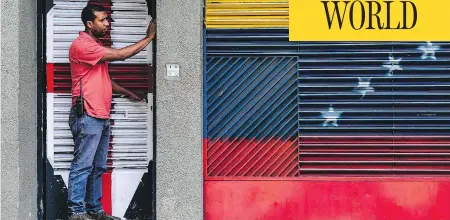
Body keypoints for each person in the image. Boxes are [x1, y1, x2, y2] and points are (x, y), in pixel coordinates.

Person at [67, 4, 156, 220]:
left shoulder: (94, 46)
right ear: (89, 24)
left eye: (107, 20)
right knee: (82, 166)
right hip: (87, 114)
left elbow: (103, 80)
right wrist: (149, 38)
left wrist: (128, 92)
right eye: (102, 20)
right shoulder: (83, 46)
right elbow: (121, 55)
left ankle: (95, 211)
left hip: (100, 115)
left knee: (97, 167)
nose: (107, 24)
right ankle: (76, 213)